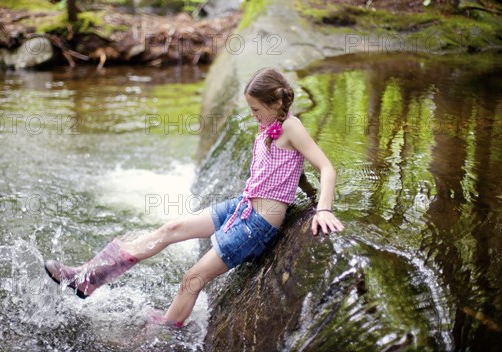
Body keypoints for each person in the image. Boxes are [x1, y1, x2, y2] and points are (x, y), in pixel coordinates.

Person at [44, 67, 344, 327]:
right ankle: (88, 278)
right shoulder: (269, 126)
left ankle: (165, 332)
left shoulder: (291, 126)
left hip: (256, 226)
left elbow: (327, 167)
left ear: (276, 102)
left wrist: (323, 209)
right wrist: (308, 192)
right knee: (169, 230)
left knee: (192, 279)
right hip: (242, 207)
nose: (253, 116)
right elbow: (293, 169)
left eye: (256, 110)